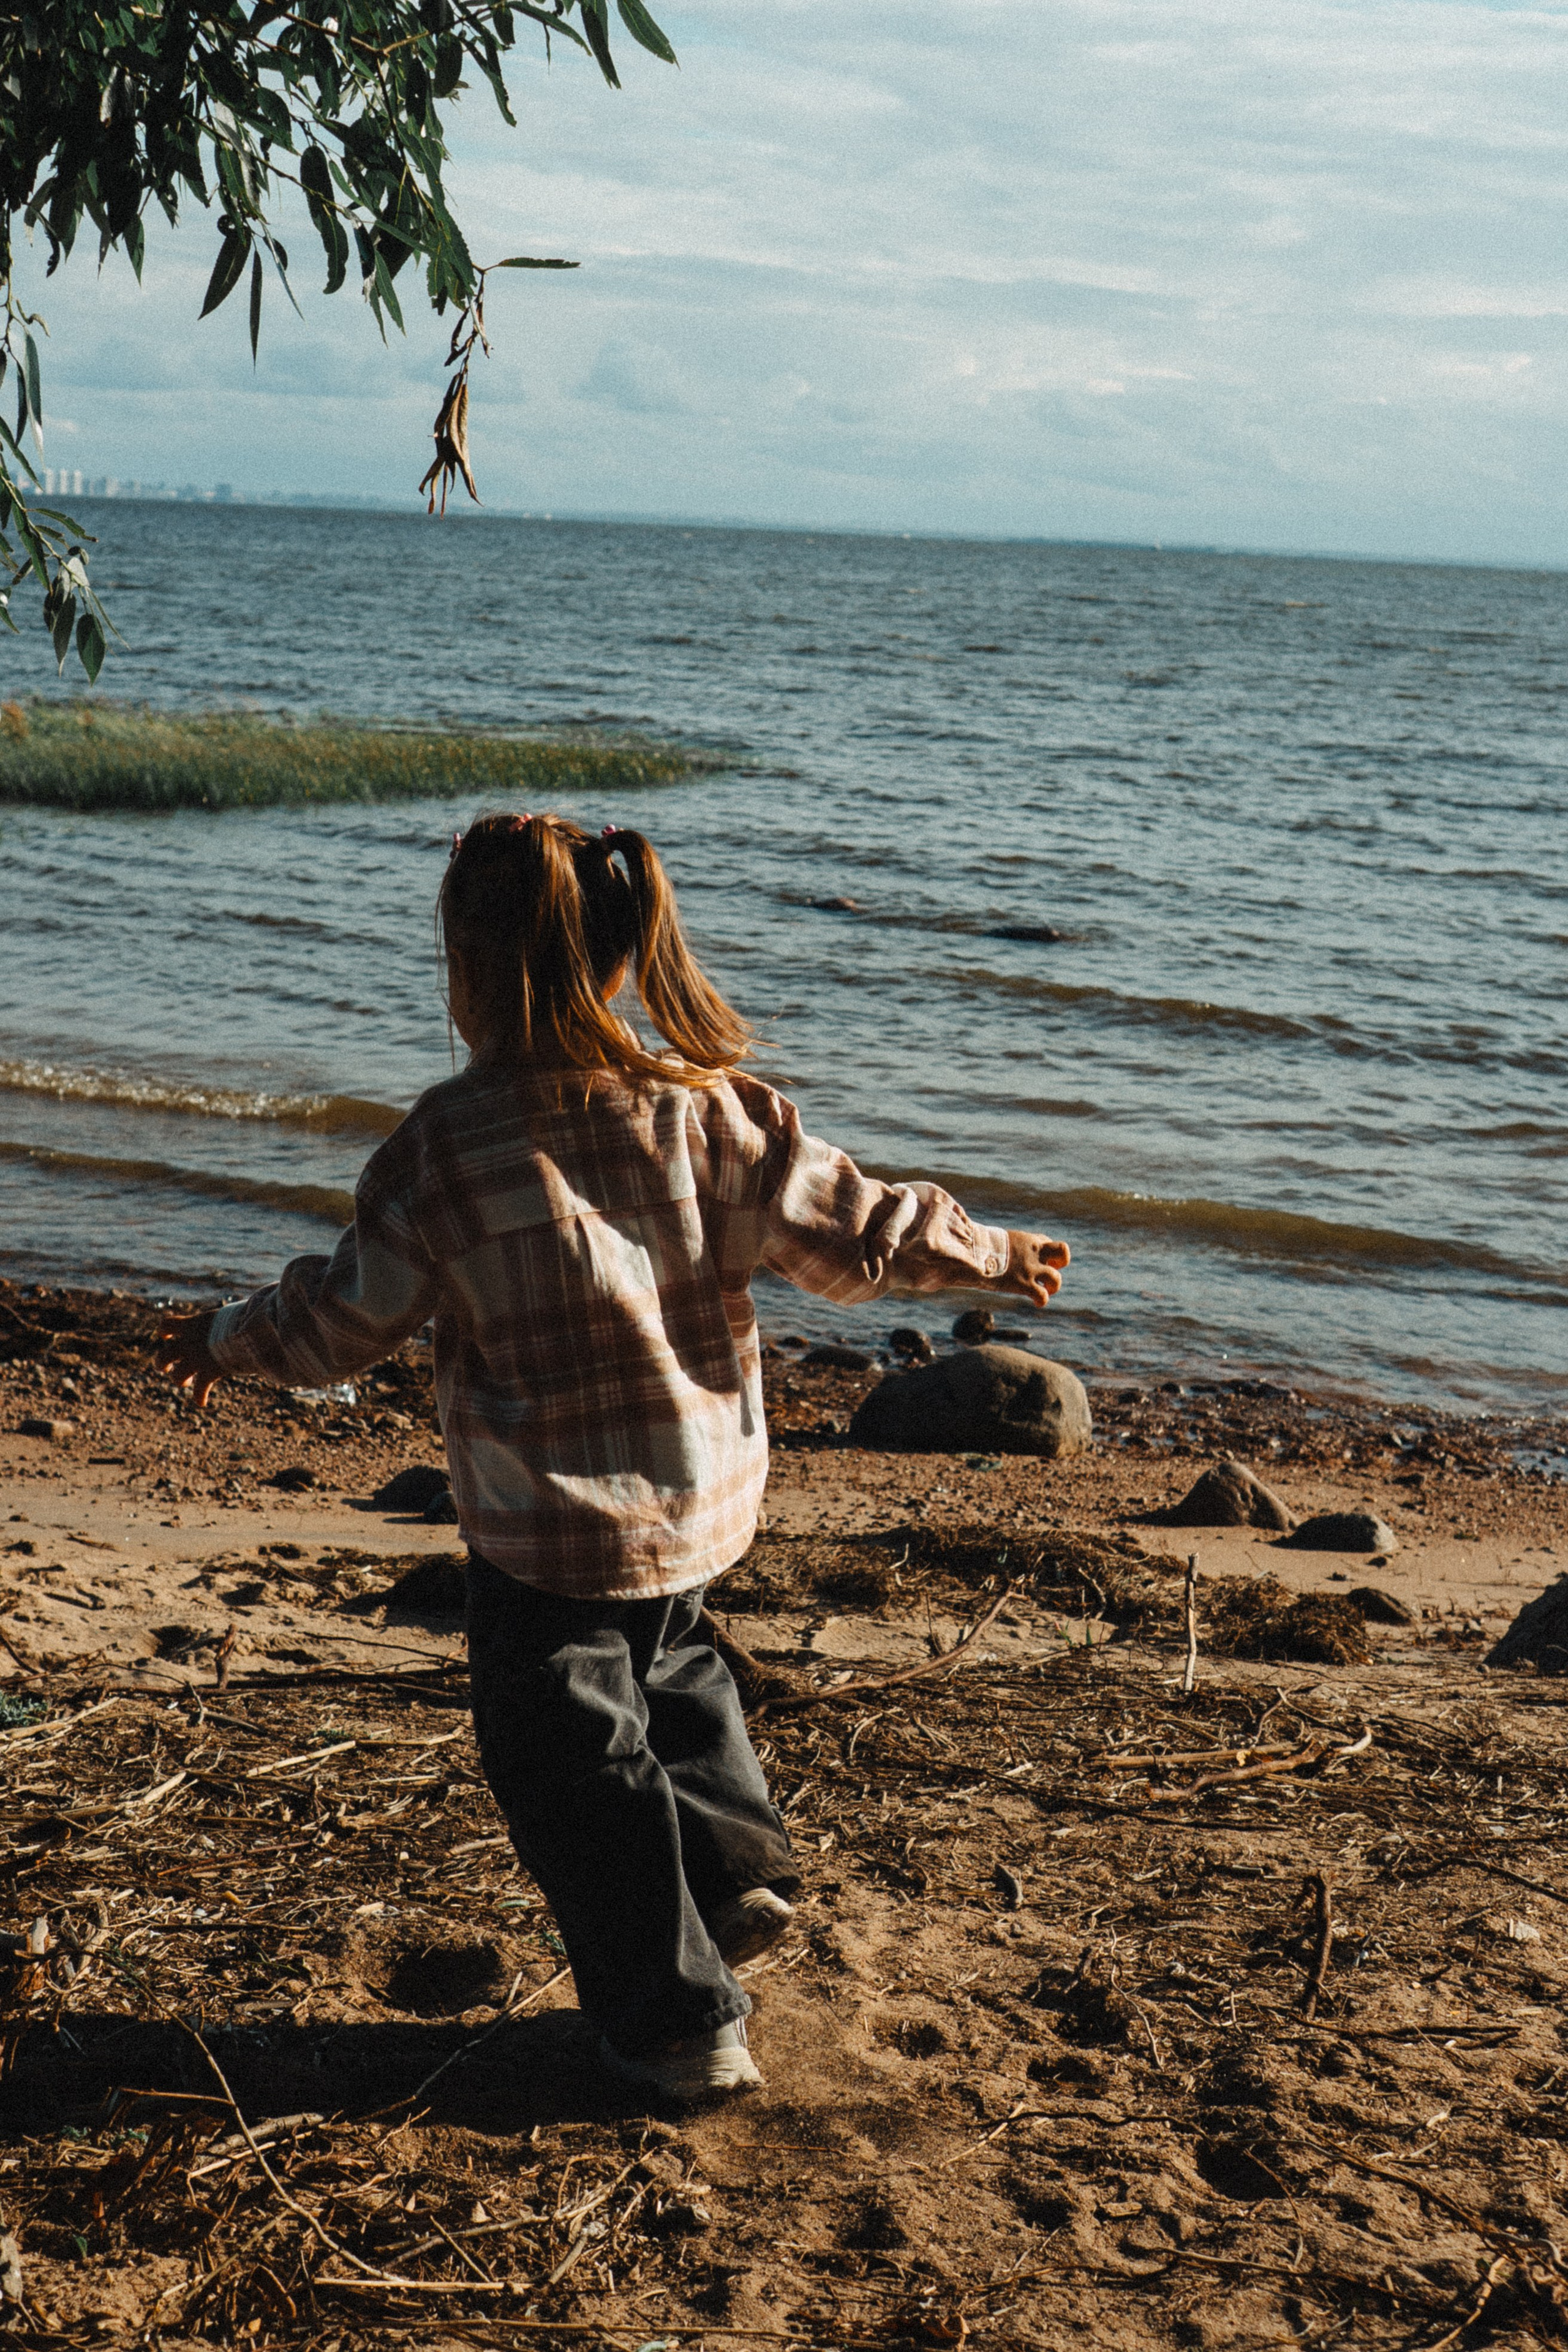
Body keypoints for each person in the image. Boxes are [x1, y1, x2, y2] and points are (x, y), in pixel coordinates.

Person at [157, 813, 1069, 2104]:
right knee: (679, 1676)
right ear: (621, 960)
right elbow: (857, 1234)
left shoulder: (441, 1151)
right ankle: (736, 1876)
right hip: (695, 1503)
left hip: (542, 1533)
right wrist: (990, 1255)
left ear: (466, 969)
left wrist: (224, 1339)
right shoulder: (713, 1115)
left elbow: (338, 1322)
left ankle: (677, 2021)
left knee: (574, 1776)